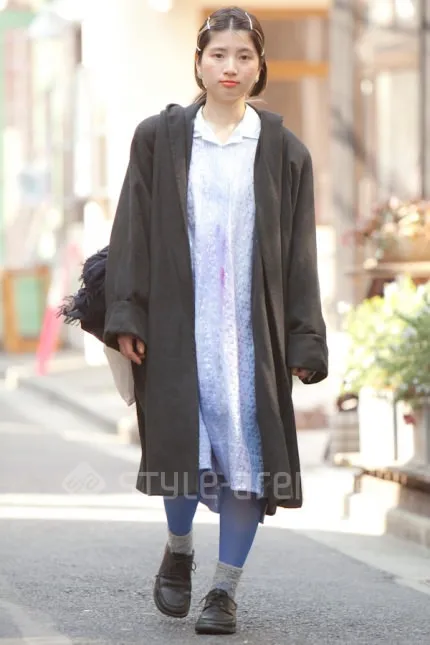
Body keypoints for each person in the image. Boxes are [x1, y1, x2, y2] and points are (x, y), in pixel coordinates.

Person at [104, 6, 328, 636]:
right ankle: (179, 548)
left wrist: (304, 339)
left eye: (244, 56)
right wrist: (128, 312)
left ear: (260, 67)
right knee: (180, 443)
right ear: (199, 63)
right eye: (218, 55)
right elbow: (132, 230)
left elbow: (300, 255)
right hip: (179, 326)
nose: (230, 67)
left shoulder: (285, 152)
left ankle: (224, 590)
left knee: (247, 454)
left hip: (251, 335)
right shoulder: (160, 138)